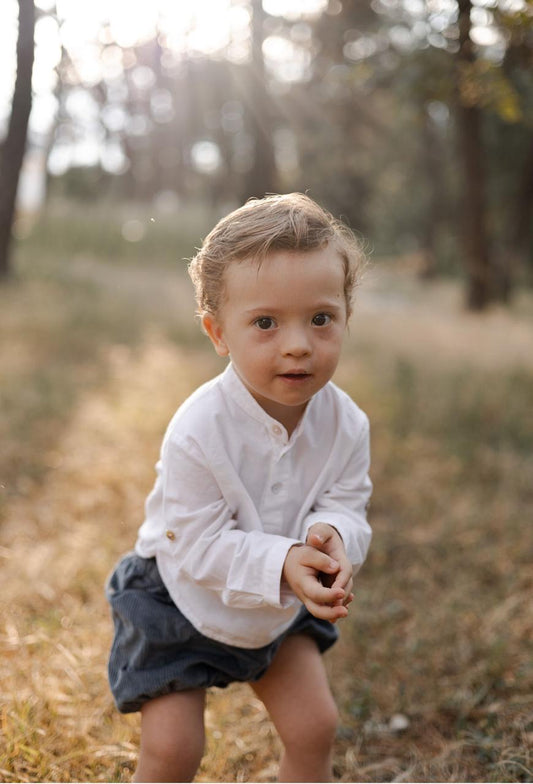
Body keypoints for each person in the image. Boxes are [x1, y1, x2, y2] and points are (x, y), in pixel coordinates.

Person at [105, 192, 373, 783]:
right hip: (181, 598)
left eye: (321, 318)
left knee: (315, 726)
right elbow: (197, 546)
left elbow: (346, 502)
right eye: (266, 322)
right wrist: (284, 560)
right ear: (217, 332)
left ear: (346, 316)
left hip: (276, 609)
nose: (298, 343)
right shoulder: (198, 429)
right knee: (175, 750)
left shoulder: (346, 423)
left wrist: (331, 536)